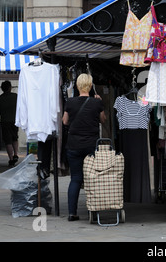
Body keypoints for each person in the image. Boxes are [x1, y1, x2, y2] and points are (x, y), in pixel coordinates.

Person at [62, 74, 106, 221]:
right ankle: (93, 211)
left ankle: (72, 213)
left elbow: (65, 122)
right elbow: (103, 120)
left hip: (73, 145)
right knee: (93, 179)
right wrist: (99, 103)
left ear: (77, 85)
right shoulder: (96, 102)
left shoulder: (70, 101)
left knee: (75, 179)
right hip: (90, 146)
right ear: (90, 85)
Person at [0, 80, 19, 167]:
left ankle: (11, 159)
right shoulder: (15, 97)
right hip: (14, 121)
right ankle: (16, 154)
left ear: (2, 89)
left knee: (8, 141)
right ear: (10, 87)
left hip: (4, 121)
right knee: (15, 138)